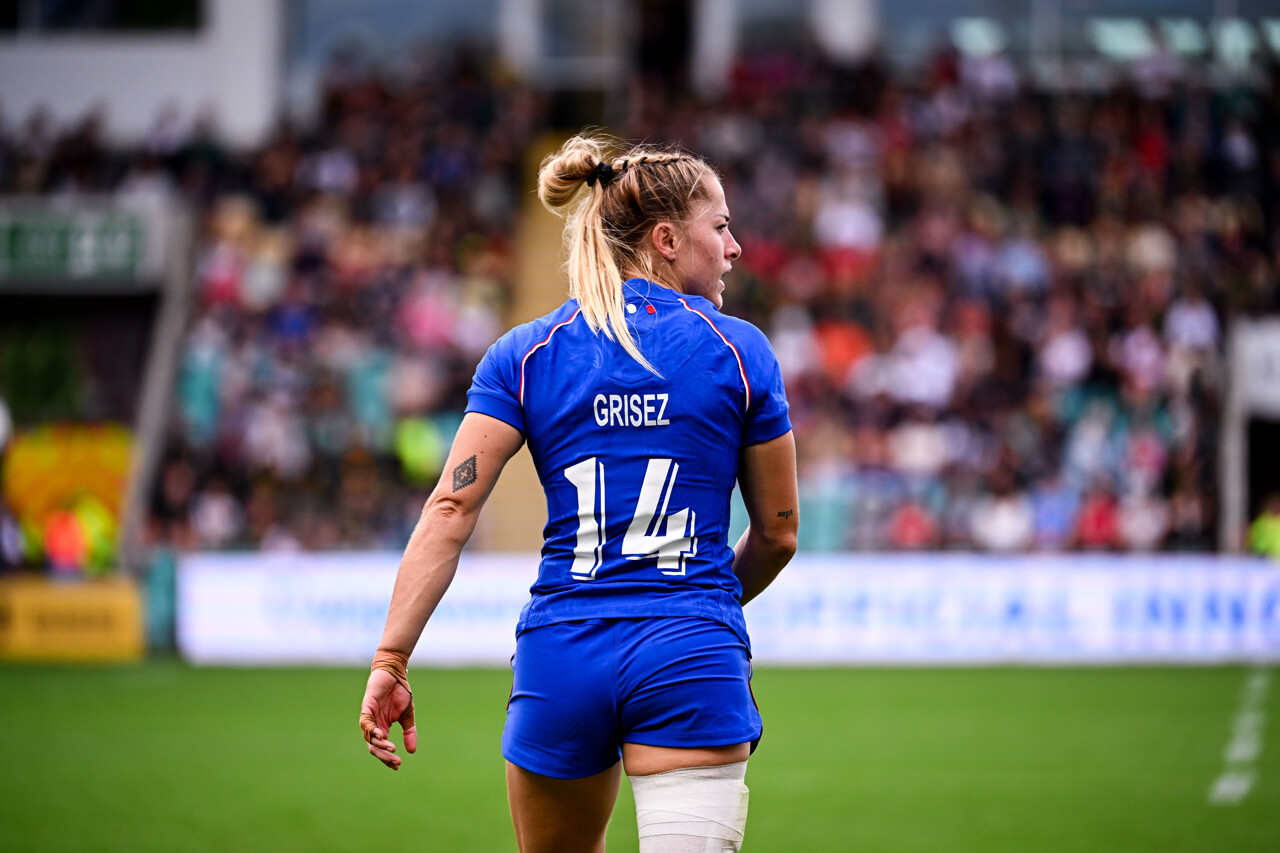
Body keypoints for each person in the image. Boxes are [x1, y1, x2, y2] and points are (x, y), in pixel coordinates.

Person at [358, 134, 798, 853]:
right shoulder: (739, 349)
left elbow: (449, 509)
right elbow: (779, 532)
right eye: (720, 227)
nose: (735, 246)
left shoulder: (525, 353)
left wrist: (391, 660)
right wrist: (697, 604)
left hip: (562, 655)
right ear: (665, 238)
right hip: (689, 652)